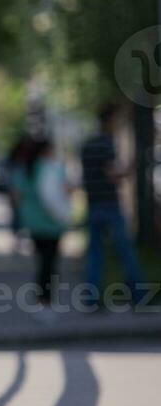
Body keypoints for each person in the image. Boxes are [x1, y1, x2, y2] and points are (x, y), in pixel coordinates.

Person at [80, 103, 141, 305]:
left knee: (95, 254)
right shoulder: (106, 145)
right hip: (109, 205)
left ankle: (91, 298)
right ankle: (139, 295)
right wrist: (130, 169)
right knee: (125, 251)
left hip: (93, 204)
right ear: (109, 121)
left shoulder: (87, 145)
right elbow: (112, 174)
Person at [10, 135, 71, 307]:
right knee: (50, 263)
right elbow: (64, 192)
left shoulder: (24, 169)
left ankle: (42, 298)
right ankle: (47, 299)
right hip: (52, 222)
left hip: (33, 222)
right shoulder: (52, 169)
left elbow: (16, 195)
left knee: (42, 261)